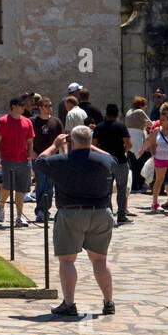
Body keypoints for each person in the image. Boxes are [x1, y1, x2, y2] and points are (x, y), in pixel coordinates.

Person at [34, 125, 117, 317]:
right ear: (90, 141)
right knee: (100, 260)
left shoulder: (62, 160)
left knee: (67, 260)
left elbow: (39, 162)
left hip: (71, 213)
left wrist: (55, 145)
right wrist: (90, 146)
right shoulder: (104, 161)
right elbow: (111, 157)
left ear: (72, 142)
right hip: (100, 213)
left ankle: (70, 303)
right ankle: (108, 301)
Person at [0, 97, 35, 226]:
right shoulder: (3, 121)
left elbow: (30, 142)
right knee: (7, 186)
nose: (24, 107)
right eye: (21, 105)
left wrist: (31, 162)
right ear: (14, 106)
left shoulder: (27, 122)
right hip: (7, 159)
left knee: (22, 189)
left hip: (23, 160)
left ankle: (19, 216)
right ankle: (1, 206)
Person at [93, 104, 133, 225]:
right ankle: (121, 215)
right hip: (120, 161)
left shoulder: (99, 128)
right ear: (117, 114)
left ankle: (109, 215)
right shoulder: (121, 127)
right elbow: (129, 144)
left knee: (107, 190)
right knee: (121, 189)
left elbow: (93, 145)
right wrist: (124, 151)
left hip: (105, 162)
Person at [30, 96, 64, 223]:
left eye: (50, 106)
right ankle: (40, 210)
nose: (49, 108)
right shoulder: (32, 121)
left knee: (49, 186)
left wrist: (64, 154)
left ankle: (45, 210)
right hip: (38, 157)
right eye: (46, 106)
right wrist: (31, 152)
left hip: (53, 158)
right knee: (41, 183)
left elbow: (62, 140)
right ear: (39, 108)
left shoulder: (56, 122)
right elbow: (27, 139)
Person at [125, 96, 152, 195]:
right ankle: (139, 184)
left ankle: (133, 184)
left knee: (132, 163)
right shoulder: (139, 112)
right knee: (139, 162)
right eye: (145, 106)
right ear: (141, 105)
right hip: (138, 138)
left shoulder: (129, 111)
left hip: (129, 137)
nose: (145, 108)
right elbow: (150, 123)